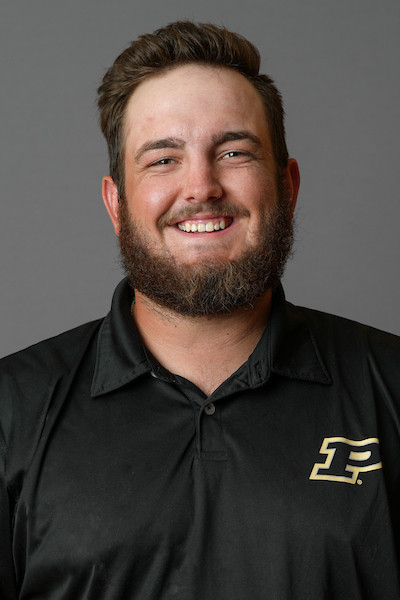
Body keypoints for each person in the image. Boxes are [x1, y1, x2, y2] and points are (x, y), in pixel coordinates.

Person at [1, 21, 399, 600]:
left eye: (234, 152)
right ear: (117, 204)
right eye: (163, 159)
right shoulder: (11, 410)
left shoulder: (390, 384)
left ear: (288, 187)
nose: (202, 187)